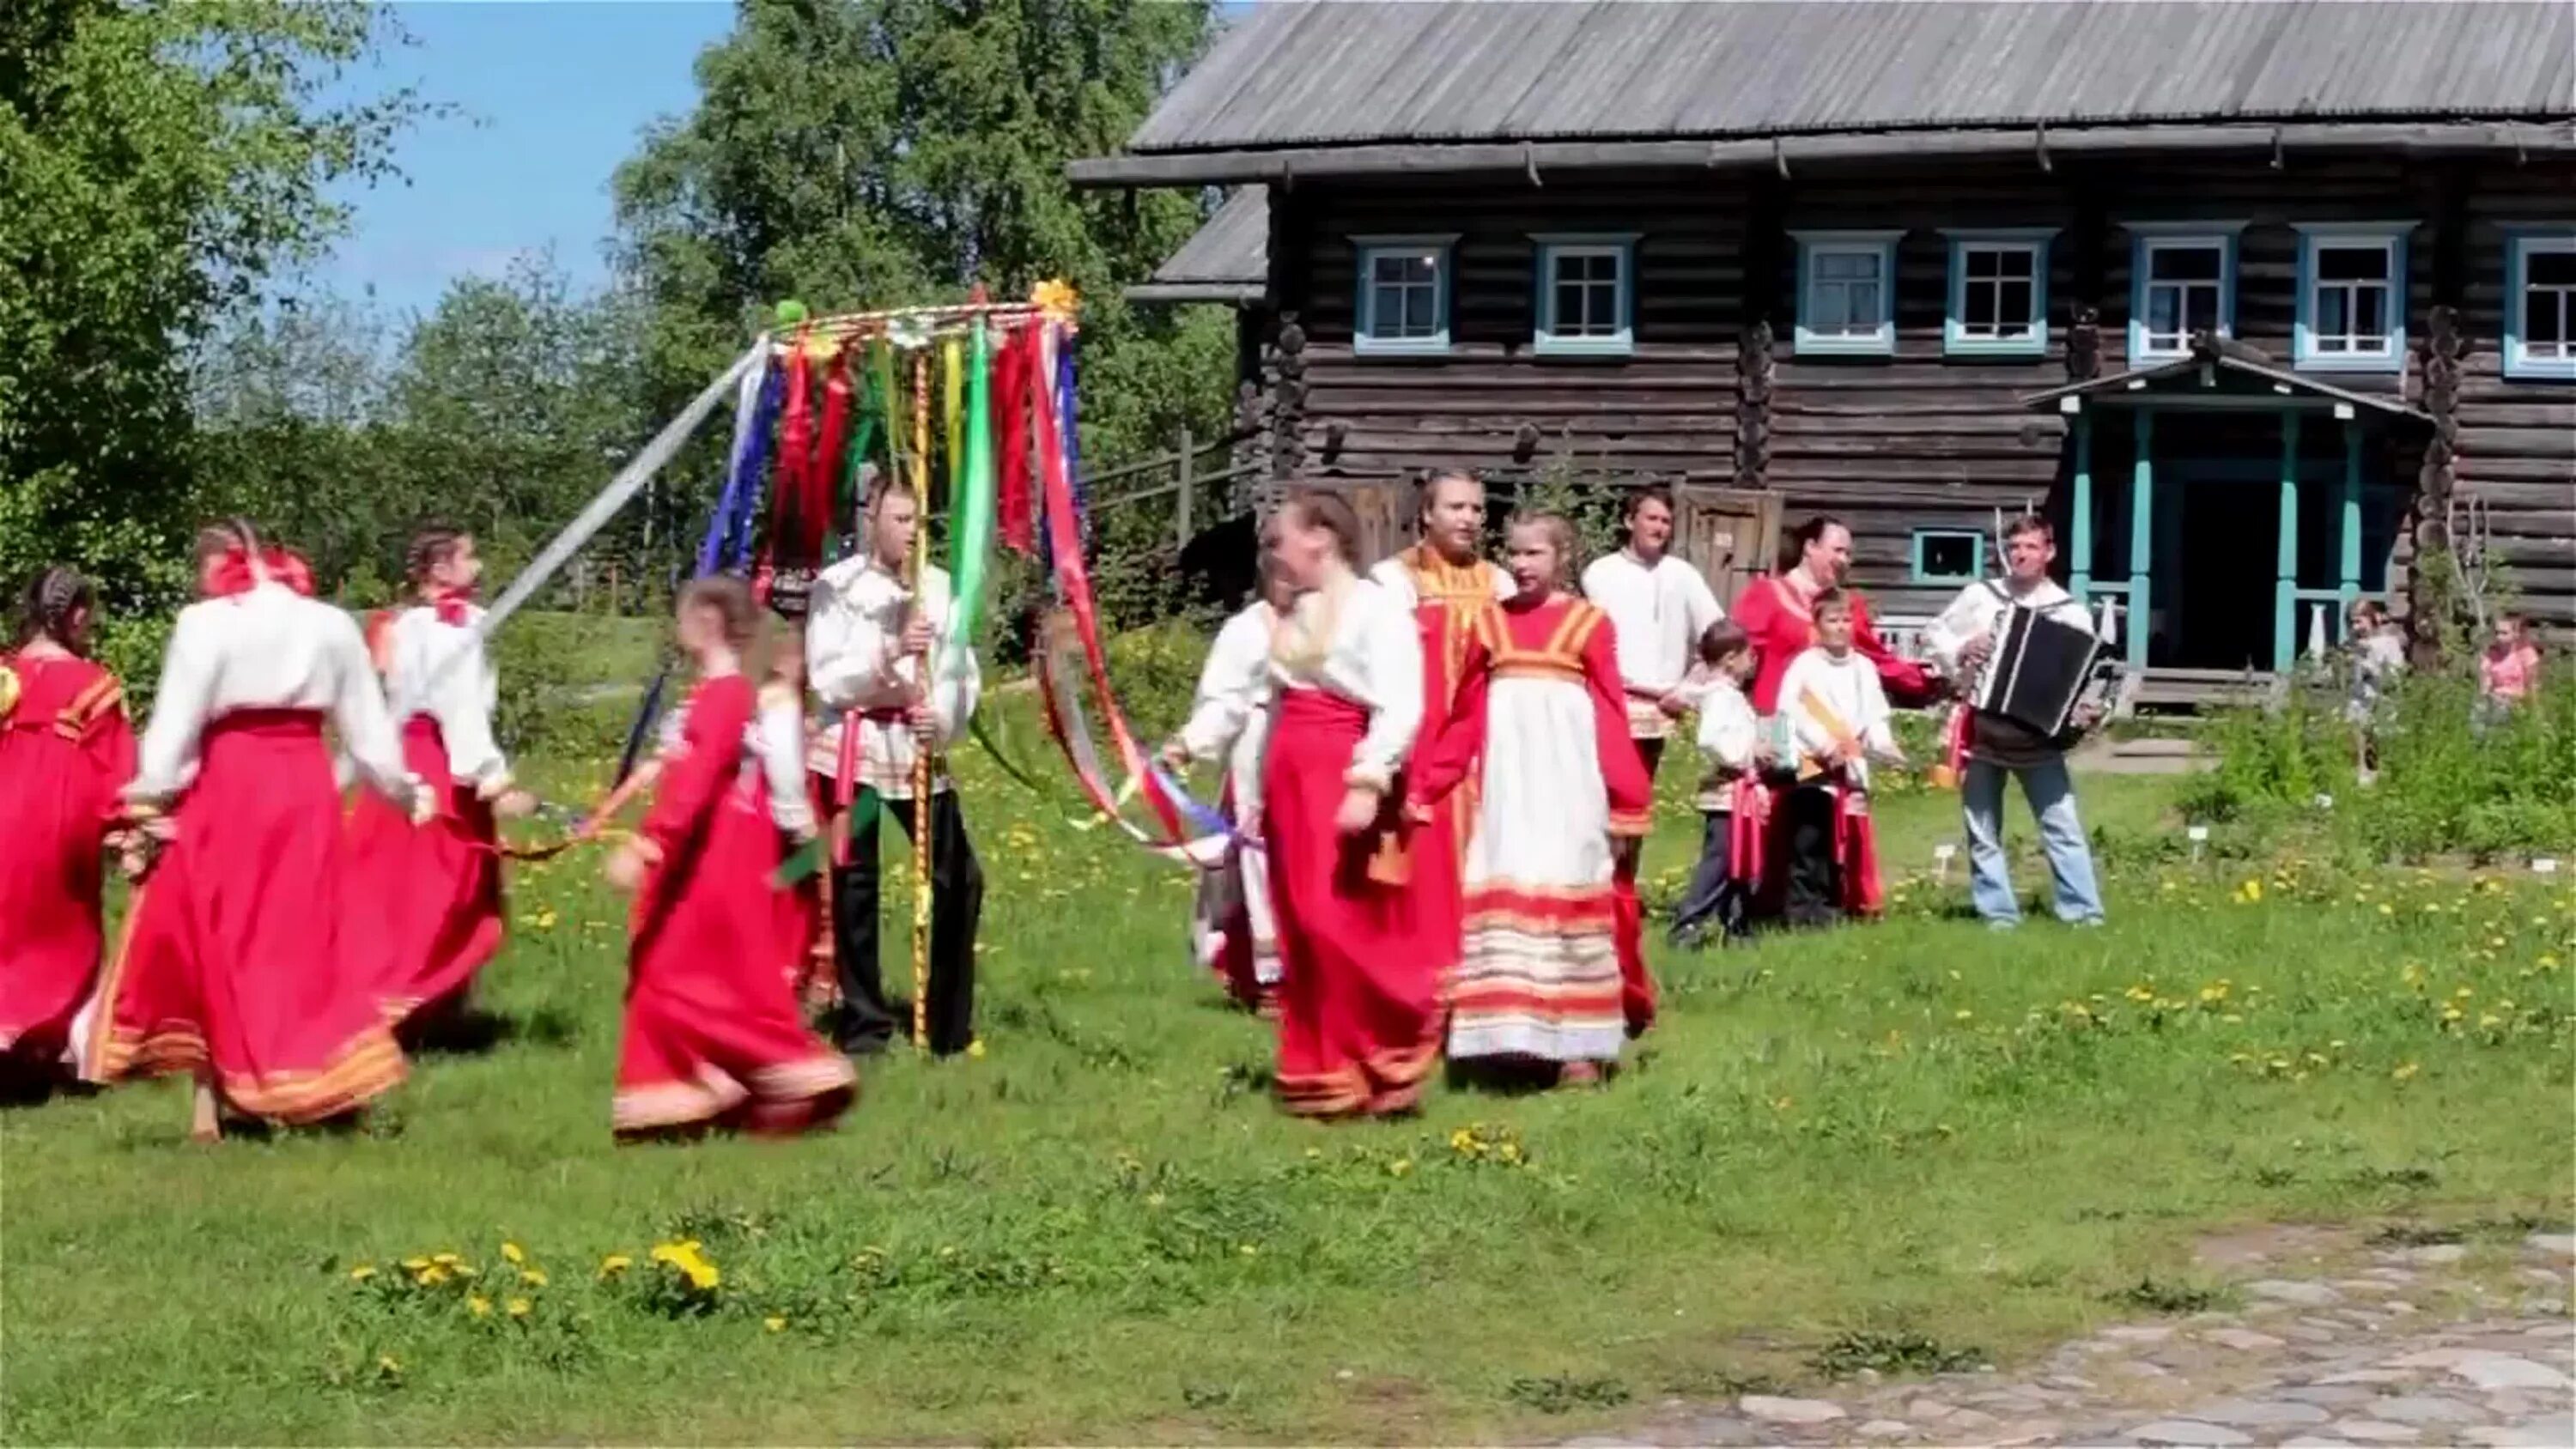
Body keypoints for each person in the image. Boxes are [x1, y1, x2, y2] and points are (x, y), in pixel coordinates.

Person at [88, 523, 422, 1139]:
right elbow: (367, 725)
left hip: (229, 785)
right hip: (303, 786)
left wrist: (150, 792)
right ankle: (324, 1083)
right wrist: (402, 789)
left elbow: (177, 719)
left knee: (215, 931)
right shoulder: (330, 623)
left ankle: (210, 1111)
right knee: (303, 934)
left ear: (216, 565)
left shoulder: (204, 623)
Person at [602, 578, 855, 1140]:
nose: (677, 627)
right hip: (714, 852)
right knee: (684, 976)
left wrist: (649, 844)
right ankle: (696, 1092)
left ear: (709, 623)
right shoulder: (724, 693)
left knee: (673, 979)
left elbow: (698, 780)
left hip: (710, 859)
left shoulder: (725, 695)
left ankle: (790, 1067)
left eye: (683, 616)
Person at [1411, 513, 1653, 1086]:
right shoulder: (1490, 626)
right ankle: (1513, 1037)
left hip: (1571, 790)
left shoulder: (1589, 625)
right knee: (1509, 887)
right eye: (1514, 554)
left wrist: (1625, 797)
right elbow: (1464, 718)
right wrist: (1429, 784)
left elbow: (1610, 714)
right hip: (1508, 795)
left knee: (1570, 889)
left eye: (1535, 554)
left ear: (1562, 557)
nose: (1521, 565)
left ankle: (1579, 1046)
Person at [1261, 490, 1436, 1118]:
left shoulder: (1375, 609)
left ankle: (1396, 1040)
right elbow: (1268, 699)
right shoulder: (1292, 609)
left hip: (1339, 763)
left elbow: (1402, 700)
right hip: (1290, 771)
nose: (1274, 551)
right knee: (1299, 923)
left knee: (1335, 918)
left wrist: (1368, 780)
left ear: (1321, 538)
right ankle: (1327, 1075)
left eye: (1282, 538)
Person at [805, 482, 983, 1058]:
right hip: (854, 743)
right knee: (856, 881)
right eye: (900, 518)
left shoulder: (937, 585)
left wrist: (946, 717)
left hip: (914, 742)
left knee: (960, 877)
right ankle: (864, 1026)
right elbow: (827, 677)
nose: (911, 530)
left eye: (919, 519)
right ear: (872, 520)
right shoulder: (838, 586)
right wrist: (888, 651)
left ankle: (949, 1028)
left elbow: (961, 667)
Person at [347, 526, 536, 1033]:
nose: (477, 564)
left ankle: (417, 1011)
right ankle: (404, 1005)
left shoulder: (403, 624)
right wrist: (491, 778)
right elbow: (461, 707)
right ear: (439, 570)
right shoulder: (456, 626)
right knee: (440, 890)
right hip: (442, 768)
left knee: (388, 887)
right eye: (468, 556)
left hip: (398, 766)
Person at [1921, 516, 2107, 929]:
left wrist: (2083, 710)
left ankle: (2083, 913)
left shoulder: (2070, 612)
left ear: (2049, 552)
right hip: (1982, 727)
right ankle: (1998, 914)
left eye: (2030, 547)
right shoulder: (1980, 596)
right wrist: (1964, 648)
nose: (2021, 555)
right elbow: (1933, 636)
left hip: (2037, 736)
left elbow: (2082, 679)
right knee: (1982, 827)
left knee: (2062, 824)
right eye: (2015, 547)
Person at [1368, 468, 1511, 973]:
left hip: (1486, 743)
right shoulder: (1395, 580)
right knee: (1419, 856)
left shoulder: (1499, 582)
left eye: (1476, 508)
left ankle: (1481, 968)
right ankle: (1413, 966)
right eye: (1456, 507)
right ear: (1427, 514)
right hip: (1421, 740)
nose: (1469, 518)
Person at [0, 568, 137, 1081]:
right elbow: (114, 763)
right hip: (59, 816)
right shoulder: (93, 682)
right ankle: (47, 1040)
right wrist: (124, 823)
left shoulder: (6, 674)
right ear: (75, 614)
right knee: (63, 927)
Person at [1163, 544, 1293, 1014]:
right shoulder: (1247, 631)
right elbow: (1225, 701)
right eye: (1282, 574)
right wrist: (1189, 743)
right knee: (1260, 859)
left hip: (1319, 753)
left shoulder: (1335, 621)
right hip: (1259, 753)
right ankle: (1269, 977)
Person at [1772, 590, 1906, 926]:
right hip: (1811, 764)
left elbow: (1875, 713)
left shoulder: (1863, 667)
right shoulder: (1804, 664)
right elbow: (1787, 709)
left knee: (1846, 838)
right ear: (1817, 626)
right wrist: (1822, 743)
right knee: (1809, 840)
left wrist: (1884, 744)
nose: (1841, 627)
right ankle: (1803, 911)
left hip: (1850, 763)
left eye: (1846, 620)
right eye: (1832, 620)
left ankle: (1838, 905)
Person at [1579, 488, 1725, 780]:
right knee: (1604, 788)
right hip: (1614, 697)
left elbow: (1718, 634)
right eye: (1652, 519)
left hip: (1663, 704)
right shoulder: (1601, 573)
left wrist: (1690, 685)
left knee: (1642, 793)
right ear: (1630, 521)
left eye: (1665, 522)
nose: (1659, 528)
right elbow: (1587, 638)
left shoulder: (1682, 575)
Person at [1734, 515, 1935, 716]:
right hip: (1777, 718)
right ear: (1810, 547)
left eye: (1848, 554)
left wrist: (1925, 679)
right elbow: (1736, 654)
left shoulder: (1849, 605)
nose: (1844, 560)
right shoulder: (1766, 594)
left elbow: (1877, 660)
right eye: (1838, 550)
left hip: (1834, 726)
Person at [1667, 621, 1761, 949]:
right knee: (1719, 863)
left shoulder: (1732, 696)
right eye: (1750, 655)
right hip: (1726, 794)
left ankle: (1736, 925)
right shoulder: (1721, 697)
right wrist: (1746, 754)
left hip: (1740, 794)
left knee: (1740, 860)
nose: (1754, 661)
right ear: (1730, 659)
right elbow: (1712, 739)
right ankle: (1688, 923)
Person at [2342, 598, 2406, 785]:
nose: (2356, 627)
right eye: (2352, 622)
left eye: (2359, 621)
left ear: (2372, 619)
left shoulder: (2388, 643)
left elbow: (2395, 675)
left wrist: (2371, 666)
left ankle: (2378, 776)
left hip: (2381, 698)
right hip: (2359, 698)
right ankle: (2359, 773)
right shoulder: (2353, 644)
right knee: (2355, 732)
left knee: (2378, 738)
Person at [2476, 612, 2543, 731]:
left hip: (2517, 701)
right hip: (2495, 699)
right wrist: (2484, 674)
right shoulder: (2491, 655)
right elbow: (2485, 687)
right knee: (2479, 711)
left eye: (2504, 633)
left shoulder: (2525, 654)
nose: (2499, 637)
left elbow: (2531, 685)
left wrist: (2534, 710)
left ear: (2516, 634)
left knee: (2503, 710)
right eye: (2497, 633)